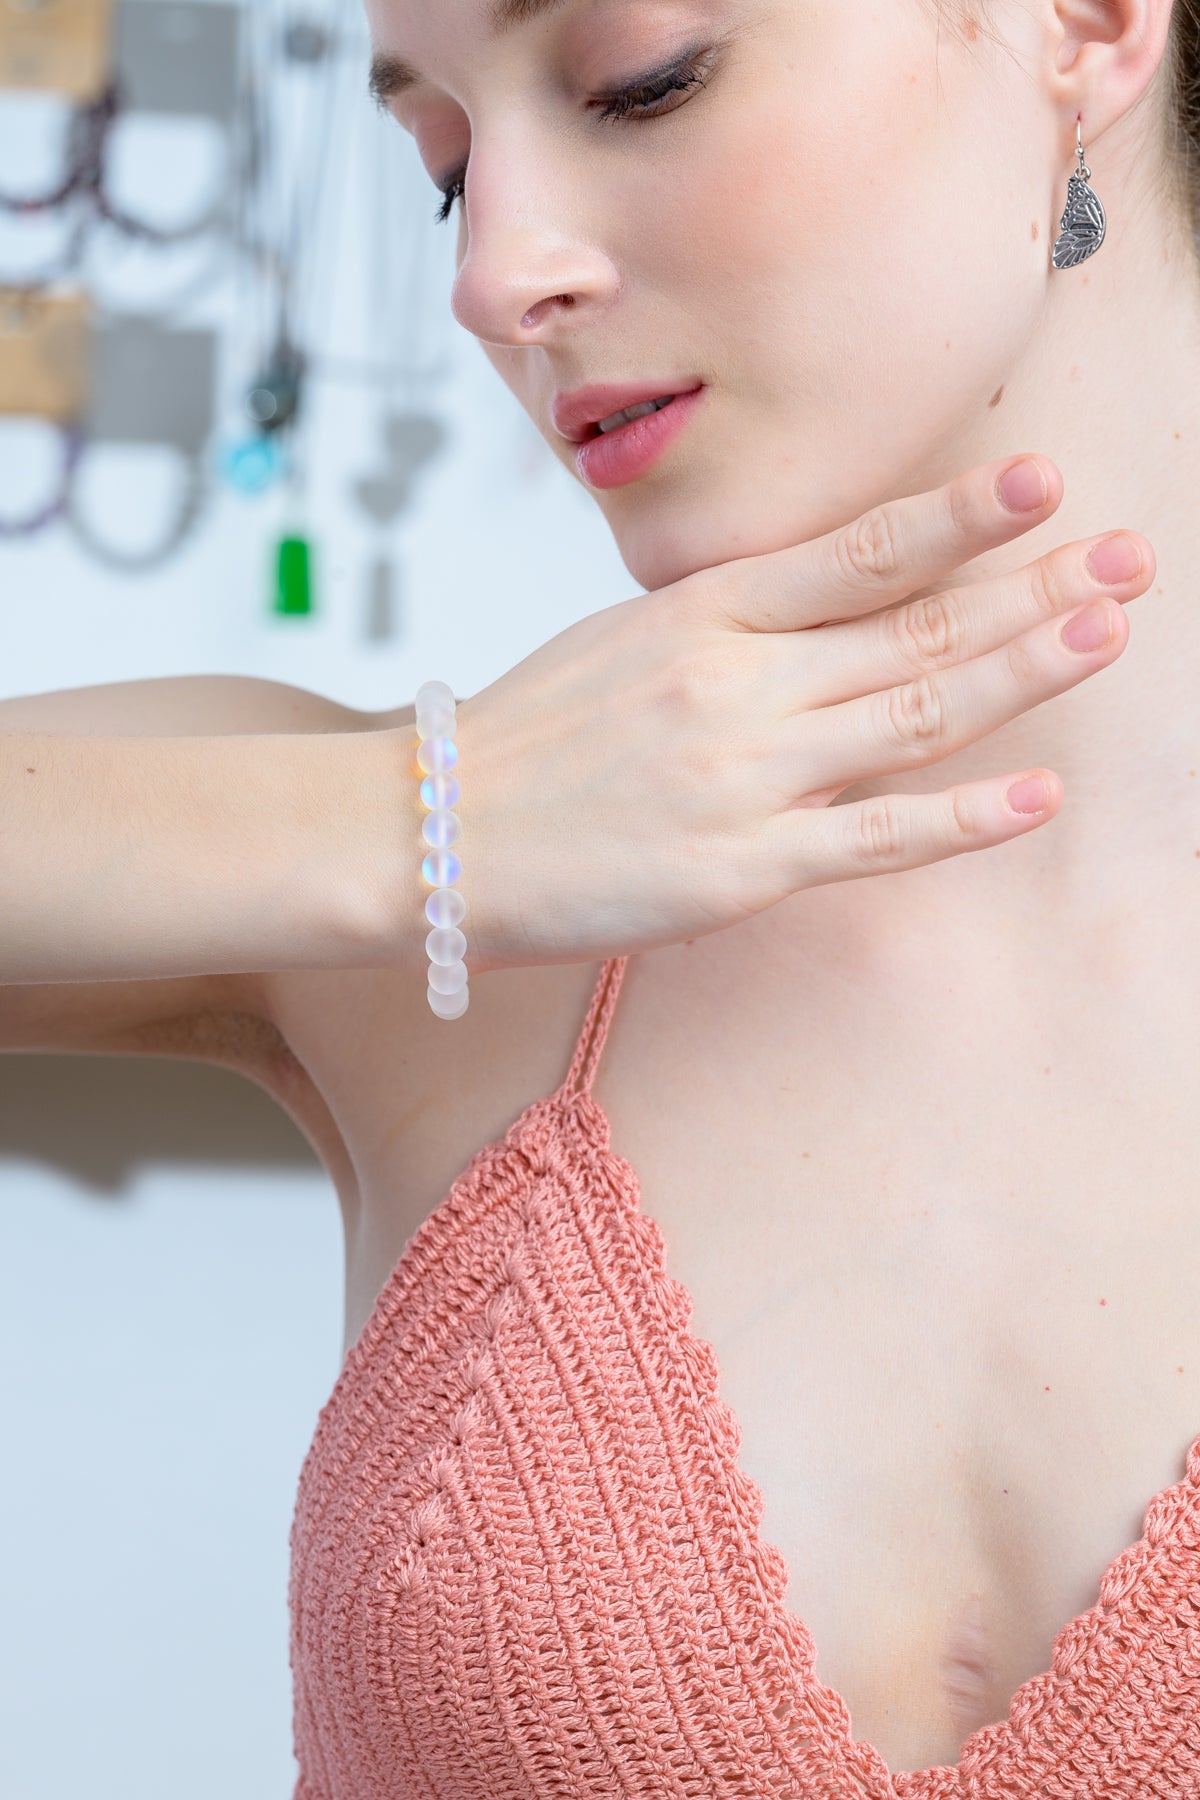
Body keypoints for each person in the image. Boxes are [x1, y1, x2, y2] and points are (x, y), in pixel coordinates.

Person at [3, 0, 1199, 1789]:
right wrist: (428, 815)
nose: (494, 279)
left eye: (645, 78)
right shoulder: (438, 912)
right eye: (445, 172)